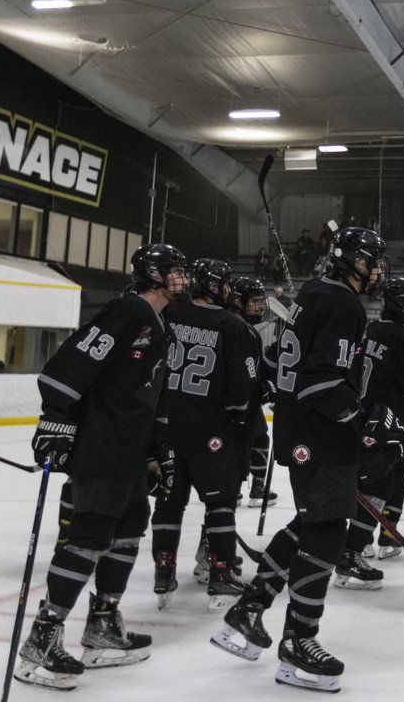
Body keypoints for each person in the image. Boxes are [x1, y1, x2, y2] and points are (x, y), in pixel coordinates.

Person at [210, 227, 394, 694]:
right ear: (350, 261)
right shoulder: (343, 304)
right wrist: (371, 418)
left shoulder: (314, 293)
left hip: (300, 432)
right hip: (321, 434)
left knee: (314, 523)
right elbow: (320, 382)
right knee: (329, 530)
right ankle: (298, 642)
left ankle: (249, 610)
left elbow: (280, 364)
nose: (377, 270)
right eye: (371, 261)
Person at [15, 244, 185, 690]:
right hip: (103, 448)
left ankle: (103, 626)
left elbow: (143, 396)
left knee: (130, 527)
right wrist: (56, 418)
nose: (181, 278)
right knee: (89, 536)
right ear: (152, 274)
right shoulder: (128, 310)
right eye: (173, 271)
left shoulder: (157, 324)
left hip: (128, 451)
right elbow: (64, 369)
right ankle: (42, 639)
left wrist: (156, 449)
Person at [150, 258, 259, 611]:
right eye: (224, 283)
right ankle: (221, 574)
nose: (228, 289)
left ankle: (163, 570)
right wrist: (236, 416)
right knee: (221, 503)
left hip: (166, 426)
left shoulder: (170, 314)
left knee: (169, 502)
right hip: (209, 431)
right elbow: (241, 392)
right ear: (213, 286)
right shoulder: (231, 325)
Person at [343, 277, 404, 570]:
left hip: (361, 417)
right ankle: (363, 545)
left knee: (371, 481)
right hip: (388, 424)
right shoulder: (403, 338)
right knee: (383, 482)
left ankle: (361, 542)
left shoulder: (371, 330)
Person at [228, 277, 277, 508]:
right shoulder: (237, 329)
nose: (259, 306)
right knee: (239, 443)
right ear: (238, 300)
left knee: (259, 436)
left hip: (242, 399)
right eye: (255, 301)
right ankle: (234, 487)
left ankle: (250, 486)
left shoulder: (237, 326)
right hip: (235, 402)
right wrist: (262, 388)